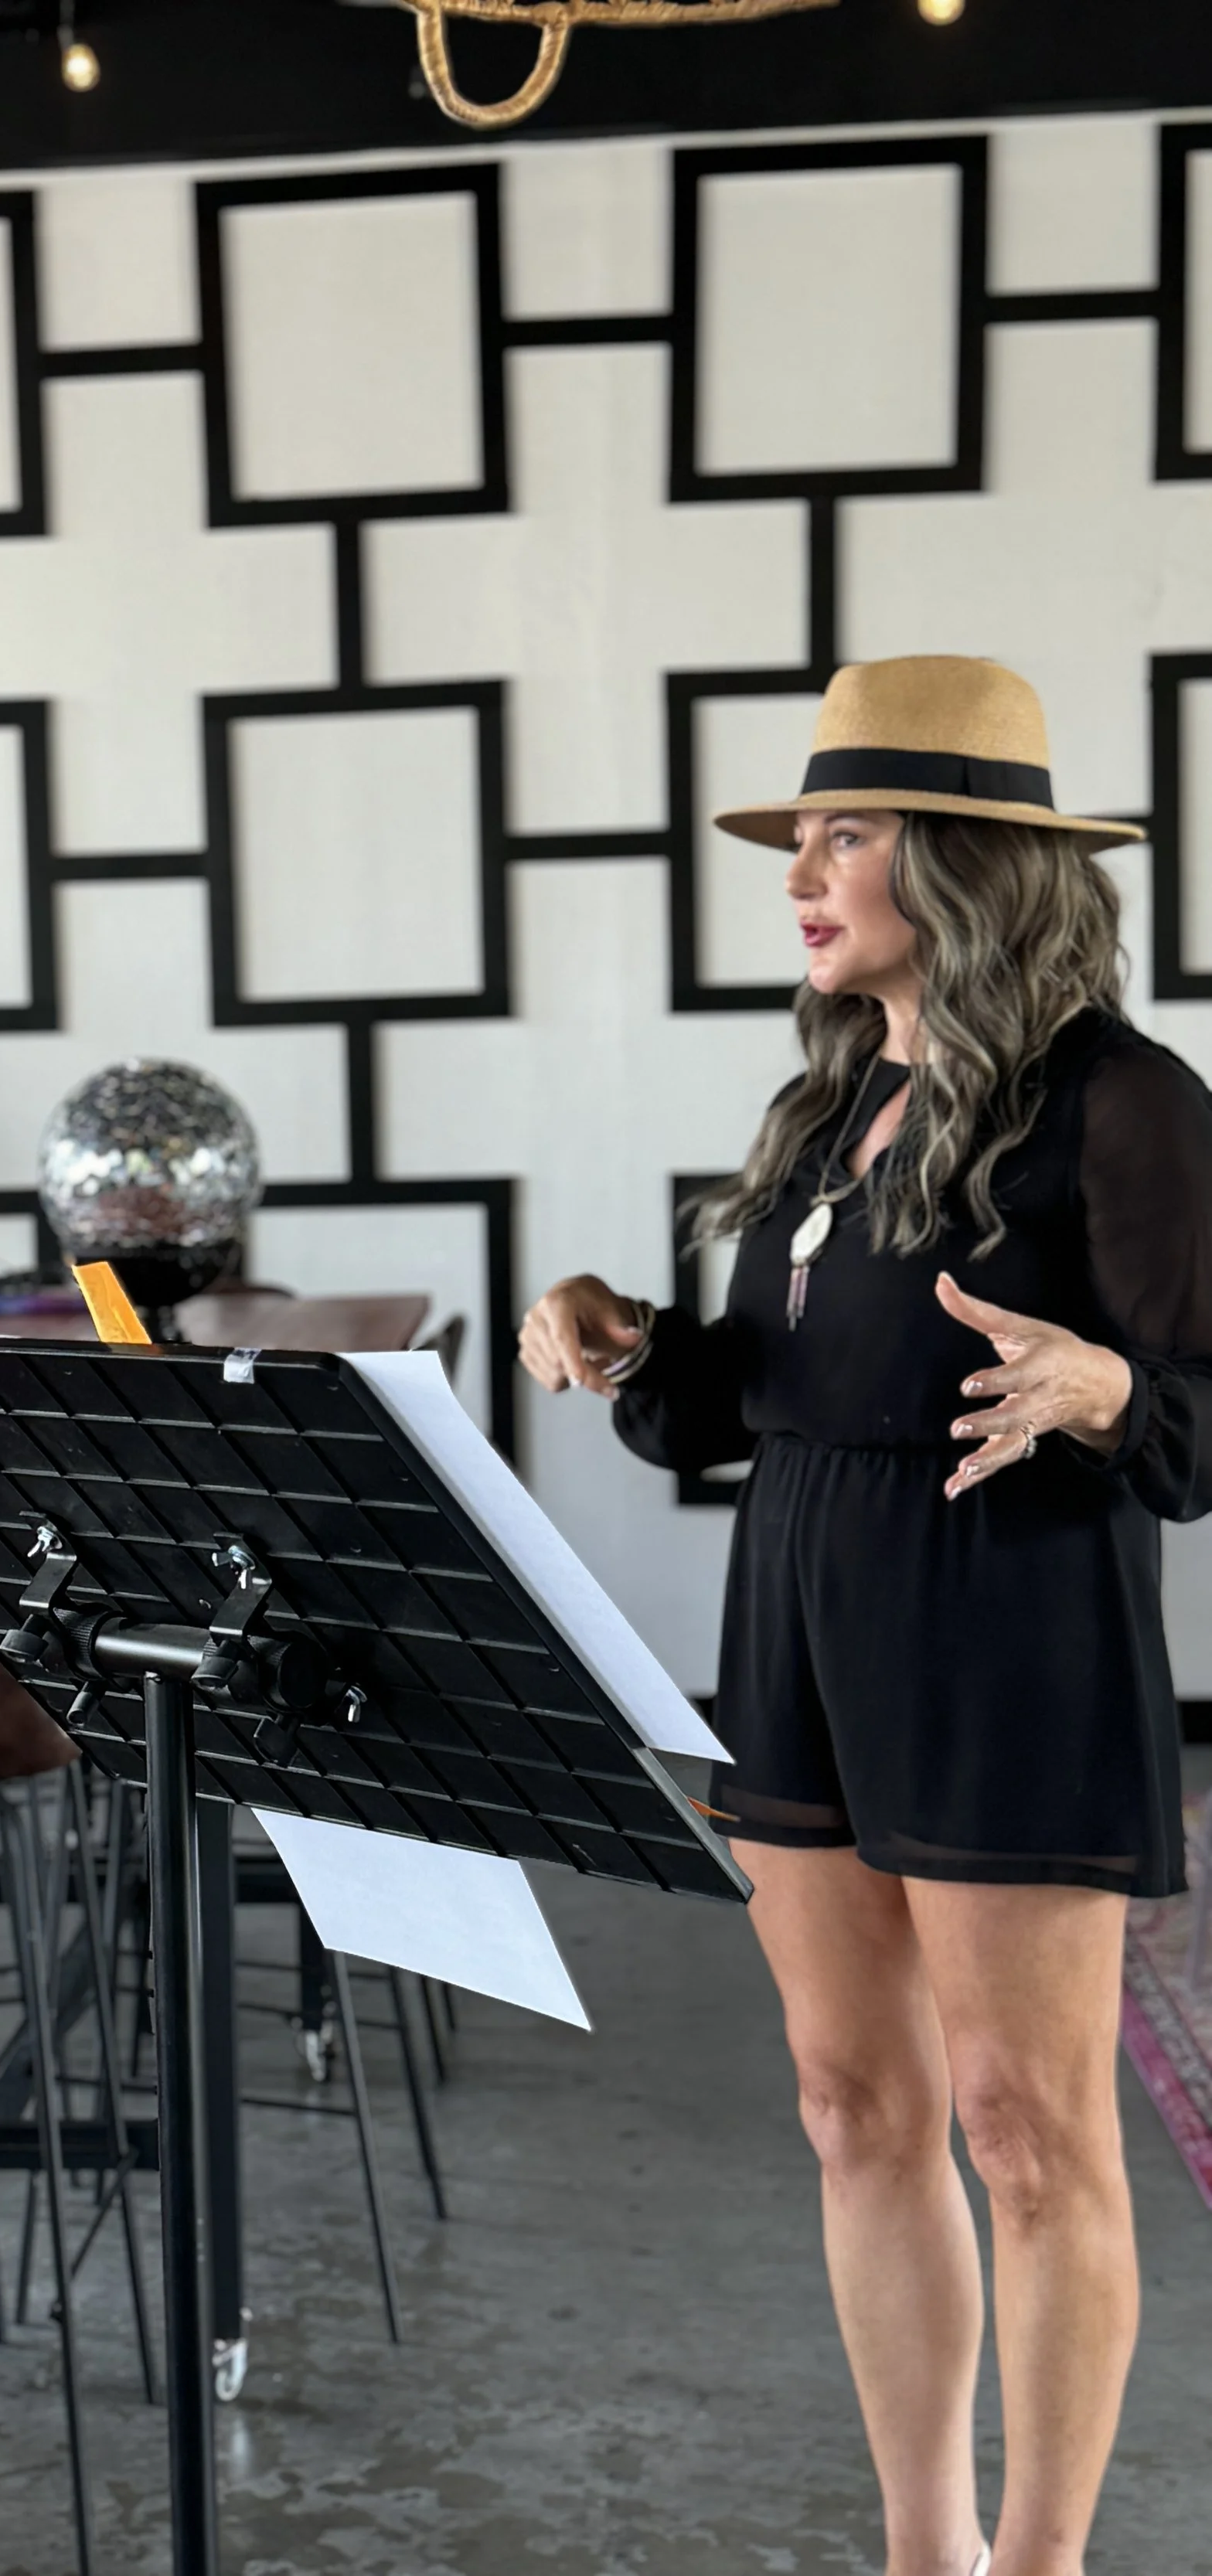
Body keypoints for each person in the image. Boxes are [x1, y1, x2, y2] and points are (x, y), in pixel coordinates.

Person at [519, 656, 1212, 2576]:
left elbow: (1198, 1411)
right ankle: (921, 2547)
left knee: (1023, 2125)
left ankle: (1040, 2558)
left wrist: (1106, 1394)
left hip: (1006, 1627)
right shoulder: (832, 1104)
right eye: (799, 838)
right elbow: (766, 1386)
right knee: (849, 2105)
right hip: (802, 1628)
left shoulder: (1127, 1104)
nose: (800, 874)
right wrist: (626, 1335)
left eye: (844, 837)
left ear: (969, 864)